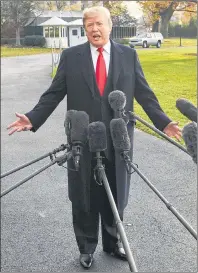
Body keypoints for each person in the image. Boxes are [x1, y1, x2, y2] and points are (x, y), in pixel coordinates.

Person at [7, 6, 181, 269]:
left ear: (110, 26)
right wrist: (33, 118)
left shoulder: (128, 55)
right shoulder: (71, 56)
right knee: (84, 194)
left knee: (116, 193)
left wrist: (164, 122)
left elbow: (144, 94)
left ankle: (113, 244)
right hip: (82, 138)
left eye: (99, 24)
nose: (94, 29)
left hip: (118, 138)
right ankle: (86, 247)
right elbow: (54, 93)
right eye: (89, 25)